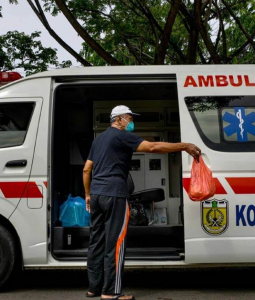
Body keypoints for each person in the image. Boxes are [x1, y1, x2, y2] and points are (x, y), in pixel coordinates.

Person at [83, 105, 201, 300]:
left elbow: (87, 169)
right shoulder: (121, 135)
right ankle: (110, 292)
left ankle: (93, 288)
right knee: (116, 243)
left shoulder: (99, 140)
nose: (131, 122)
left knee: (96, 242)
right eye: (129, 118)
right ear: (119, 119)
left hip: (96, 195)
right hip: (115, 195)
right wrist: (183, 146)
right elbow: (153, 147)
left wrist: (88, 194)